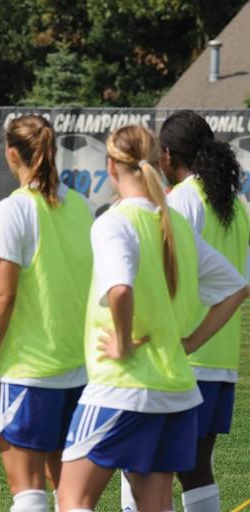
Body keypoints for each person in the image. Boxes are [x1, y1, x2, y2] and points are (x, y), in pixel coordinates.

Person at [57, 126, 246, 511]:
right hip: (175, 389)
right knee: (154, 505)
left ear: (111, 165)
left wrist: (124, 343)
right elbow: (237, 288)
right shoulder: (173, 224)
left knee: (72, 499)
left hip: (122, 385)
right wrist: (189, 343)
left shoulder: (115, 221)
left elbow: (121, 289)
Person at [119, 110, 249, 512]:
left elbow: (158, 276)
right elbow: (240, 285)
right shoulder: (238, 206)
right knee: (195, 467)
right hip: (220, 357)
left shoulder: (178, 203)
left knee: (138, 461)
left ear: (168, 155)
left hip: (177, 357)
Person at [0, 115, 93, 511]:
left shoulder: (13, 210)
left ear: (11, 154)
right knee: (71, 496)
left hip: (27, 371)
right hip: (77, 368)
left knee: (28, 492)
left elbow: (3, 297)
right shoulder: (83, 207)